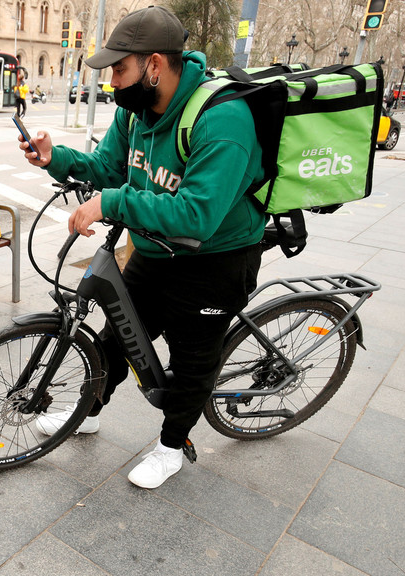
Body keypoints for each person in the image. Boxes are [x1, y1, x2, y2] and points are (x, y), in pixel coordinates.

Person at [17, 6, 265, 490]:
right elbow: (109, 167)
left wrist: (111, 203)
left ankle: (171, 447)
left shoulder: (222, 118)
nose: (112, 82)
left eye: (119, 69)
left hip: (214, 260)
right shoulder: (135, 112)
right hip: (154, 250)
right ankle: (87, 411)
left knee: (193, 361)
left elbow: (197, 215)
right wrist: (54, 158)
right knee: (117, 337)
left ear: (153, 65)